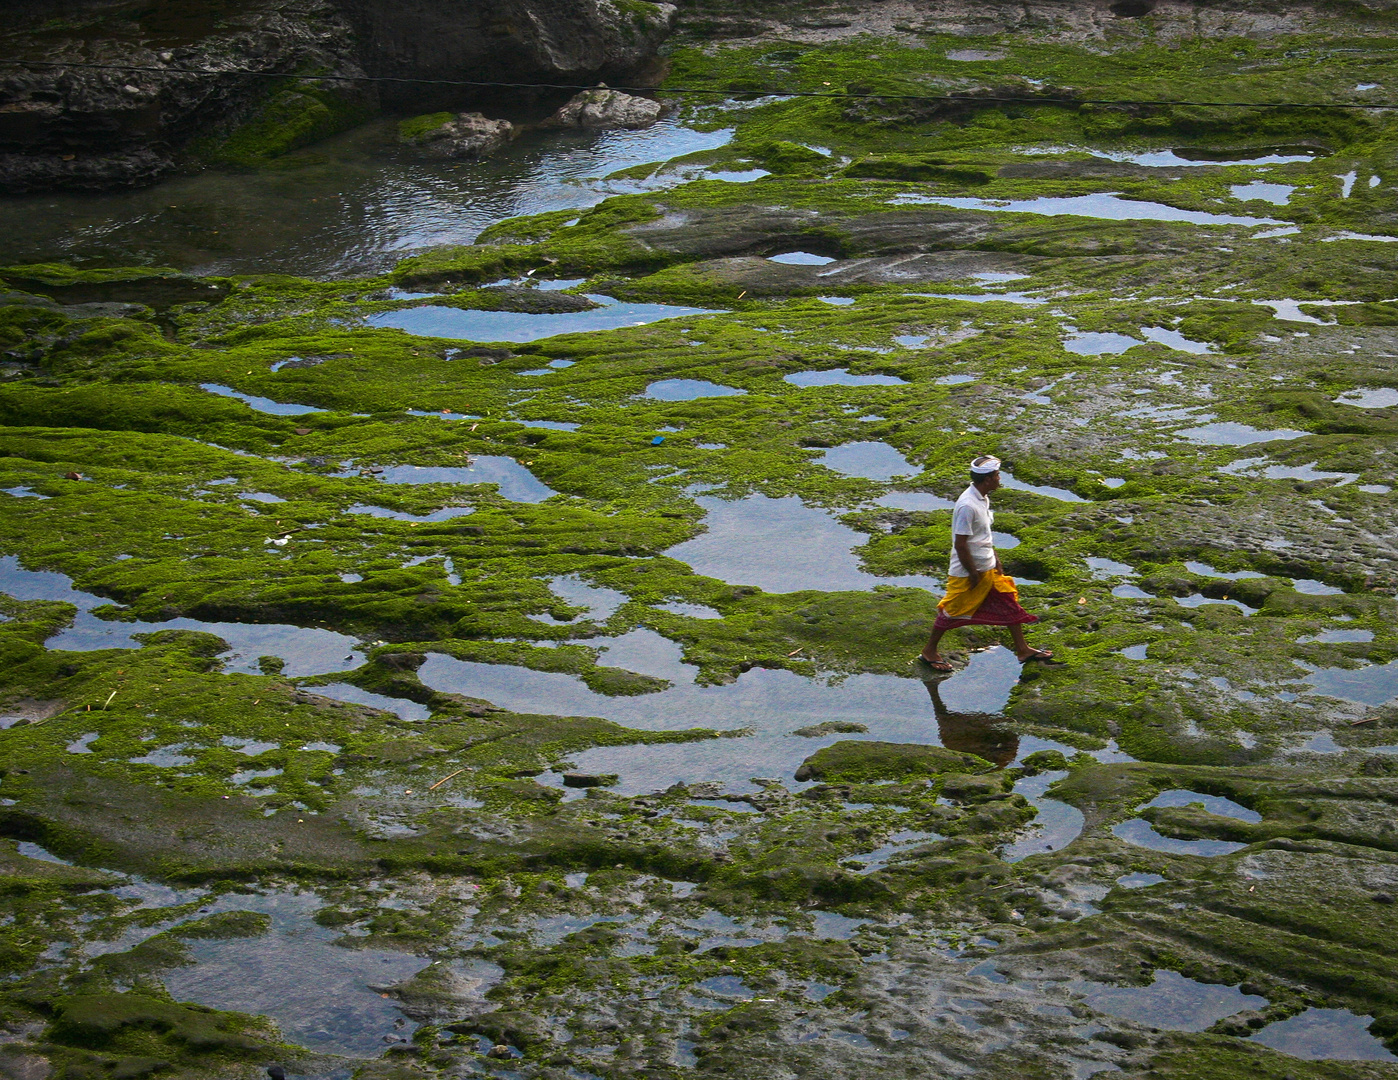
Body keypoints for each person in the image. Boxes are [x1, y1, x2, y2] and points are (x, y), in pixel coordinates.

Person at [918, 455, 1060, 672]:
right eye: (996, 475)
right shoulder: (967, 505)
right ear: (987, 480)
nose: (999, 479)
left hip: (987, 567)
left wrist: (996, 560)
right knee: (951, 611)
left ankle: (1022, 649)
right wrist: (973, 573)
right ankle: (929, 651)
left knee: (1009, 602)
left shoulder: (982, 498)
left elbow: (983, 535)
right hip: (967, 572)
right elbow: (961, 544)